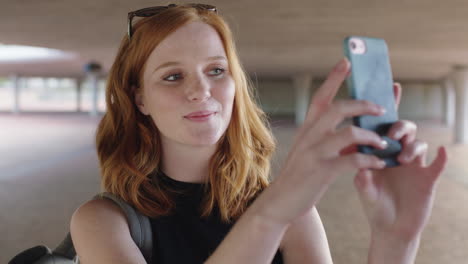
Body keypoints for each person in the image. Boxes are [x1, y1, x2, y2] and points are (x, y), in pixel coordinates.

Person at [70, 3, 448, 264]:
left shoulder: (294, 213)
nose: (201, 90)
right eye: (173, 76)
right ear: (140, 99)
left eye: (216, 70)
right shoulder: (102, 222)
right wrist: (270, 216)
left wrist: (395, 239)